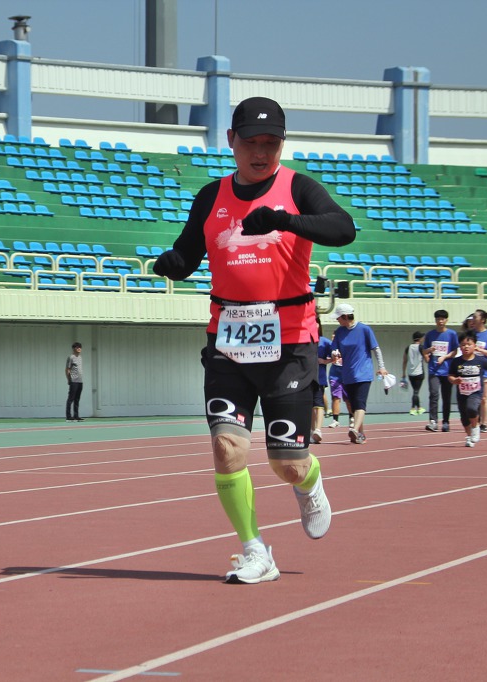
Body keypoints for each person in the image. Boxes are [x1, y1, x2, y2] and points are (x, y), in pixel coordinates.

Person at [152, 96, 356, 583]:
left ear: (282, 144)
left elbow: (343, 229)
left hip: (290, 343)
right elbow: (188, 252)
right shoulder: (211, 196)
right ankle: (254, 551)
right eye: (251, 142)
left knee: (287, 464)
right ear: (231, 141)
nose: (261, 152)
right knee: (227, 449)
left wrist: (284, 219)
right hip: (228, 341)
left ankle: (308, 482)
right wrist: (175, 265)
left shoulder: (298, 188)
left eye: (271, 143)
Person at [329, 303, 389, 444]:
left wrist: (382, 367)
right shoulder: (339, 332)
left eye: (338, 317)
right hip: (347, 374)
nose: (337, 320)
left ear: (345, 316)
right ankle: (361, 434)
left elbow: (376, 349)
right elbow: (334, 350)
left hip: (363, 373)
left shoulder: (364, 329)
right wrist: (334, 354)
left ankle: (355, 429)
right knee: (354, 405)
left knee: (360, 403)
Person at [448, 331, 487, 448]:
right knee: (464, 418)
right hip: (462, 393)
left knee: (472, 409)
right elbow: (450, 376)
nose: (466, 347)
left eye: (469, 344)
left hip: (476, 392)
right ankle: (469, 436)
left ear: (475, 346)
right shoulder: (456, 361)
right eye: (463, 345)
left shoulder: (481, 360)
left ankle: (476, 427)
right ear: (460, 347)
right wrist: (454, 380)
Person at [422, 309, 459, 433]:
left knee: (446, 397)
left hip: (447, 370)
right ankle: (433, 421)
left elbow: (455, 351)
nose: (440, 321)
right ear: (435, 320)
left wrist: (445, 357)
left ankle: (446, 422)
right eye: (438, 319)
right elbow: (424, 351)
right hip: (434, 370)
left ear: (446, 320)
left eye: (442, 319)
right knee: (434, 395)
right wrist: (429, 351)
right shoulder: (430, 334)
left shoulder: (452, 334)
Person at [469, 309, 487, 432]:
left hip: (485, 371)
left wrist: (480, 350)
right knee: (472, 398)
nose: (473, 319)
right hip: (472, 370)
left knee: (484, 398)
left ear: (482, 320)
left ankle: (483, 423)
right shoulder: (471, 334)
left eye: (475, 317)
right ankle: (475, 421)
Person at [310, 318, 333, 444]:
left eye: (315, 322)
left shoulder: (325, 342)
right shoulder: (304, 340)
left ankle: (318, 430)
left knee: (318, 404)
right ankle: (311, 430)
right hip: (305, 378)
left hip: (319, 377)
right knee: (309, 406)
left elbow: (337, 356)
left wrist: (325, 361)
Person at [401, 331, 426, 415]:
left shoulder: (408, 348)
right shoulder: (421, 347)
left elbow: (404, 361)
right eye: (422, 337)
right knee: (416, 391)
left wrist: (403, 373)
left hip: (410, 373)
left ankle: (419, 408)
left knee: (415, 391)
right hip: (419, 372)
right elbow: (426, 358)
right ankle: (412, 408)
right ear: (420, 338)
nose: (423, 339)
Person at [65, 342, 85, 422]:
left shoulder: (80, 357)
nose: (79, 349)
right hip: (73, 381)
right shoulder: (71, 357)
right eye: (77, 347)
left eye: (80, 347)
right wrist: (69, 379)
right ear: (74, 348)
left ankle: (76, 416)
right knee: (71, 399)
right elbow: (67, 369)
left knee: (77, 399)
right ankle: (68, 417)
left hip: (80, 381)